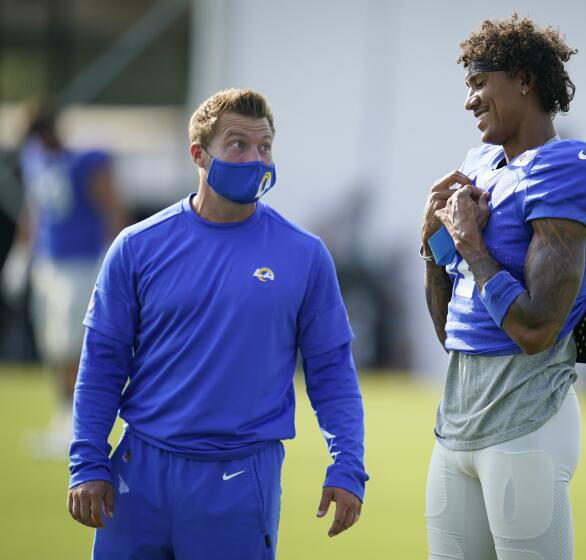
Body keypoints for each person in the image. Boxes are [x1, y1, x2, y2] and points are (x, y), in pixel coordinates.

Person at [66, 89, 368, 558]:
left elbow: (331, 372)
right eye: (238, 145)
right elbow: (102, 364)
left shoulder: (305, 254)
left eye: (264, 146)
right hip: (139, 471)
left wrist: (347, 463)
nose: (255, 158)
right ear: (199, 154)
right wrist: (87, 463)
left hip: (240, 479)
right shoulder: (136, 246)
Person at [420, 14, 586, 560]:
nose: (470, 101)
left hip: (524, 418)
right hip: (456, 420)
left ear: (525, 79)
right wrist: (432, 238)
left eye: (480, 83)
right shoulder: (479, 167)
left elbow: (535, 328)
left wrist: (473, 248)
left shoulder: (566, 168)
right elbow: (450, 332)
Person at [11, 102, 126, 459]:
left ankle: (81, 423)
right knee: (52, 345)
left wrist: (114, 257)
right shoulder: (35, 161)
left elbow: (112, 207)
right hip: (48, 263)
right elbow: (34, 211)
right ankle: (64, 418)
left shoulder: (87, 160)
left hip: (82, 263)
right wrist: (21, 253)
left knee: (74, 346)